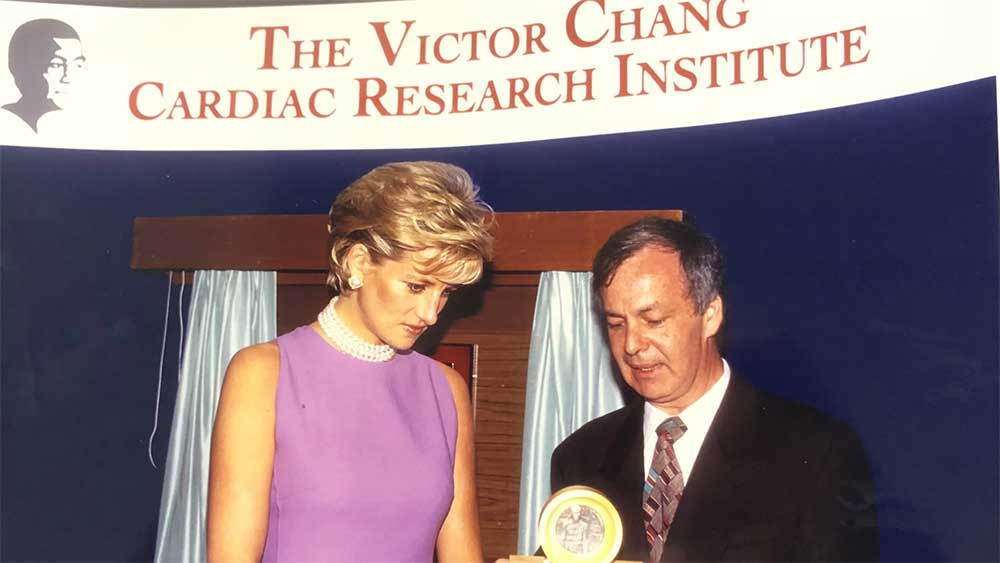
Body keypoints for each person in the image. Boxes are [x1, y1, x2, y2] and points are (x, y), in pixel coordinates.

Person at [207, 161, 493, 562]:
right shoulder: (262, 373)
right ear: (359, 263)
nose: (431, 313)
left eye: (446, 293)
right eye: (416, 285)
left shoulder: (446, 389)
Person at [549, 217, 878, 562]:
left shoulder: (817, 453)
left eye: (654, 320)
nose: (631, 344)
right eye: (616, 324)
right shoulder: (580, 457)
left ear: (710, 314)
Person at [3, 19, 86, 132]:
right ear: (22, 67)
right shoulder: (8, 120)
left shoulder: (81, 124)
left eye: (78, 65)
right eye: (56, 65)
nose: (67, 77)